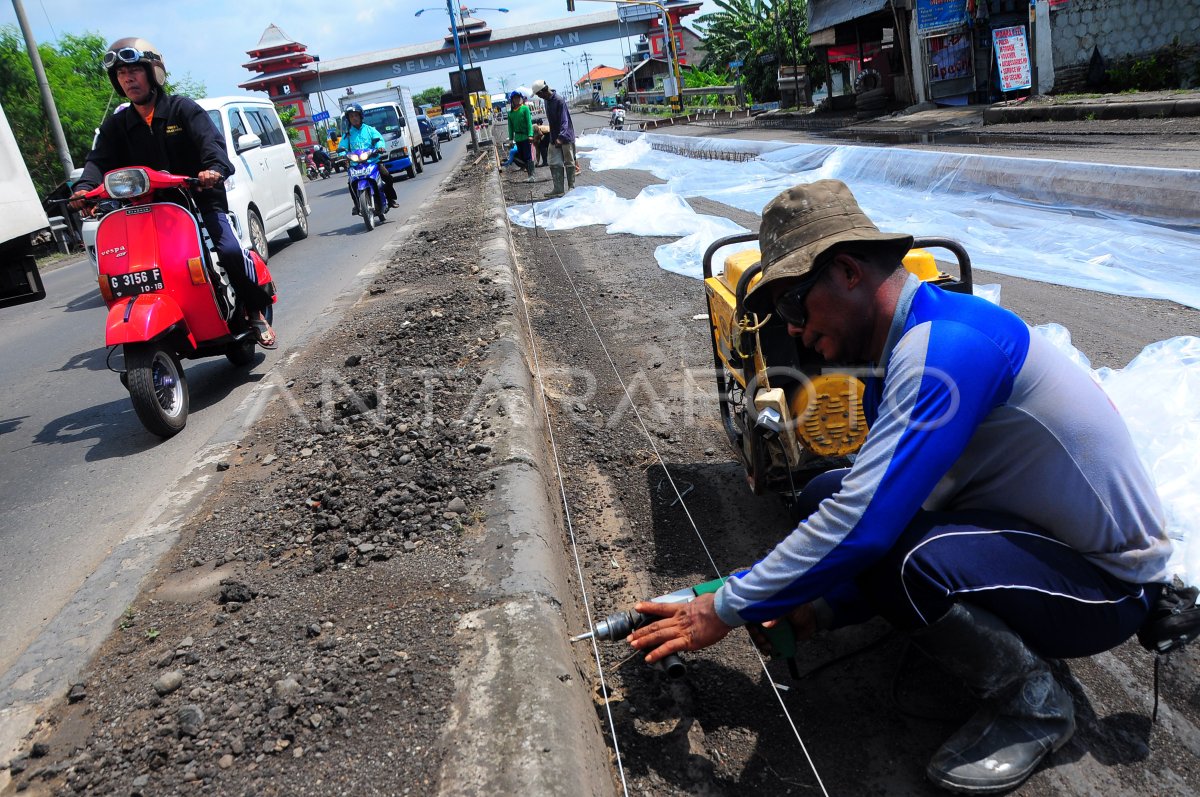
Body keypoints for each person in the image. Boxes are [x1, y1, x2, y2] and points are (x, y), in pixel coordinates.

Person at [628, 179, 1174, 794]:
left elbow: (867, 528)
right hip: (1033, 535)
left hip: (1105, 585)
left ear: (848, 272)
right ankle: (912, 616)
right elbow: (870, 500)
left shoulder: (944, 350)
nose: (798, 334)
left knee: (899, 553)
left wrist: (723, 607)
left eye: (794, 307)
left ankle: (1035, 704)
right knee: (824, 495)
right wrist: (818, 604)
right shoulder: (901, 350)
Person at [71, 37, 276, 348]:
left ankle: (255, 310)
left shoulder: (183, 110)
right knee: (131, 268)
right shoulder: (118, 125)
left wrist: (213, 170)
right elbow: (97, 161)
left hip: (200, 199)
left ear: (154, 73)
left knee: (230, 251)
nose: (128, 78)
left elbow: (213, 147)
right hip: (147, 210)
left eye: (134, 71)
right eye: (121, 74)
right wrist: (84, 189)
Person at [336, 103, 398, 213]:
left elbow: (379, 140)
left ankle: (390, 199)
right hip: (356, 165)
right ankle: (357, 204)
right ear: (348, 119)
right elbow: (342, 147)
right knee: (350, 184)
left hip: (373, 161)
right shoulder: (347, 135)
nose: (354, 118)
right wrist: (342, 154)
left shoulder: (370, 130)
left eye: (356, 115)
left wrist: (379, 147)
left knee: (387, 177)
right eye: (351, 116)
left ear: (361, 116)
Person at [532, 79, 576, 198]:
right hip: (554, 137)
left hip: (565, 137)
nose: (539, 97)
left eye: (539, 94)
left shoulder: (559, 101)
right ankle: (558, 189)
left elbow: (564, 121)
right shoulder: (546, 101)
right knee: (554, 162)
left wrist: (561, 137)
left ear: (544, 91)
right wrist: (554, 138)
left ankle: (571, 187)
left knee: (569, 161)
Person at [504, 90, 535, 183]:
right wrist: (510, 139)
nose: (517, 100)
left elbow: (529, 123)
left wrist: (530, 135)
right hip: (518, 138)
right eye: (515, 98)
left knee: (528, 156)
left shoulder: (525, 109)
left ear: (520, 99)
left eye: (518, 98)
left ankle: (531, 175)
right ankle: (528, 170)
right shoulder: (511, 113)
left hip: (526, 136)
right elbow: (510, 127)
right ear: (512, 100)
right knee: (520, 156)